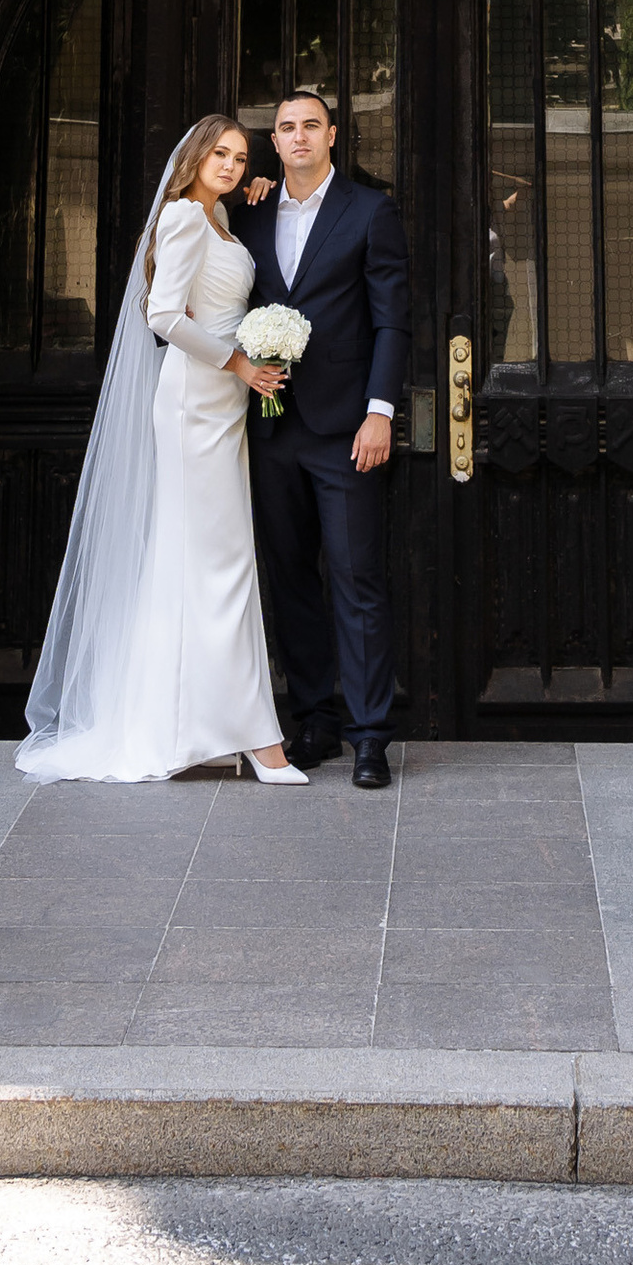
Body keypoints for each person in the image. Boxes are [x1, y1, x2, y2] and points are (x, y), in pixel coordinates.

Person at [15, 113, 304, 783]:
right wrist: (238, 363)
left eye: (240, 157)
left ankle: (200, 726)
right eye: (221, 154)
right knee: (216, 567)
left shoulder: (223, 221)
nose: (231, 166)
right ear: (196, 157)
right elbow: (163, 315)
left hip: (224, 408)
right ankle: (257, 740)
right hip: (192, 406)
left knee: (208, 567)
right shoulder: (180, 219)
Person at [230, 87, 412, 788]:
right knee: (292, 580)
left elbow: (392, 319)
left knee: (357, 580)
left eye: (311, 125)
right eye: (286, 128)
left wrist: (380, 411)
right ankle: (315, 722)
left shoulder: (371, 210)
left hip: (346, 430)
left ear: (332, 135)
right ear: (273, 143)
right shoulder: (248, 215)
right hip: (273, 430)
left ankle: (370, 736)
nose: (299, 136)